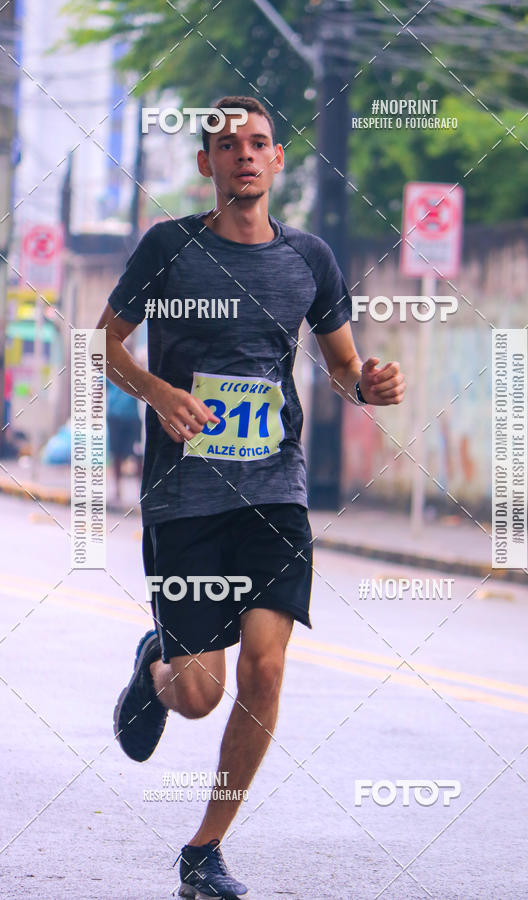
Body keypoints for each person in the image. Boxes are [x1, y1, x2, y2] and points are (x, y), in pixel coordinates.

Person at [97, 95, 406, 899]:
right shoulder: (169, 247)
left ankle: (204, 850)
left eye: (259, 143)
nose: (244, 154)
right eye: (227, 144)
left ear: (276, 161)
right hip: (183, 497)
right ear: (206, 164)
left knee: (264, 669)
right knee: (199, 695)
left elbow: (340, 366)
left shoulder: (310, 258)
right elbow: (103, 343)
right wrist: (161, 394)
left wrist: (365, 384)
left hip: (275, 491)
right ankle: (156, 662)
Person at [106, 377, 143, 503]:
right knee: (116, 454)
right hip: (115, 417)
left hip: (132, 418)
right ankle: (117, 490)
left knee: (138, 455)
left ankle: (142, 491)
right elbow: (99, 389)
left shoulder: (135, 368)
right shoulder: (109, 369)